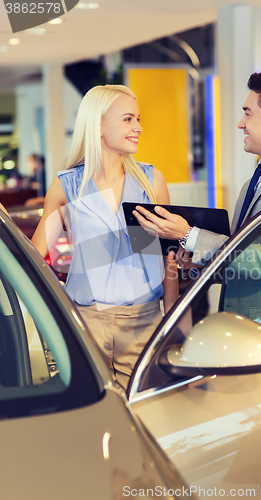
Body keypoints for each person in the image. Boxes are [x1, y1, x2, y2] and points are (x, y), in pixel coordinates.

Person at [133, 71, 261, 319]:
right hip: (243, 328)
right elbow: (243, 262)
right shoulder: (254, 181)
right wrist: (199, 261)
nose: (240, 123)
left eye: (248, 113)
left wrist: (188, 234)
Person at [31, 84, 178, 389]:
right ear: (98, 124)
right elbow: (34, 258)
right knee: (88, 420)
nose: (138, 127)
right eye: (128, 119)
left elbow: (167, 258)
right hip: (86, 323)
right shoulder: (67, 186)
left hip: (144, 322)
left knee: (143, 420)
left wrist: (172, 320)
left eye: (138, 119)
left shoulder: (151, 181)